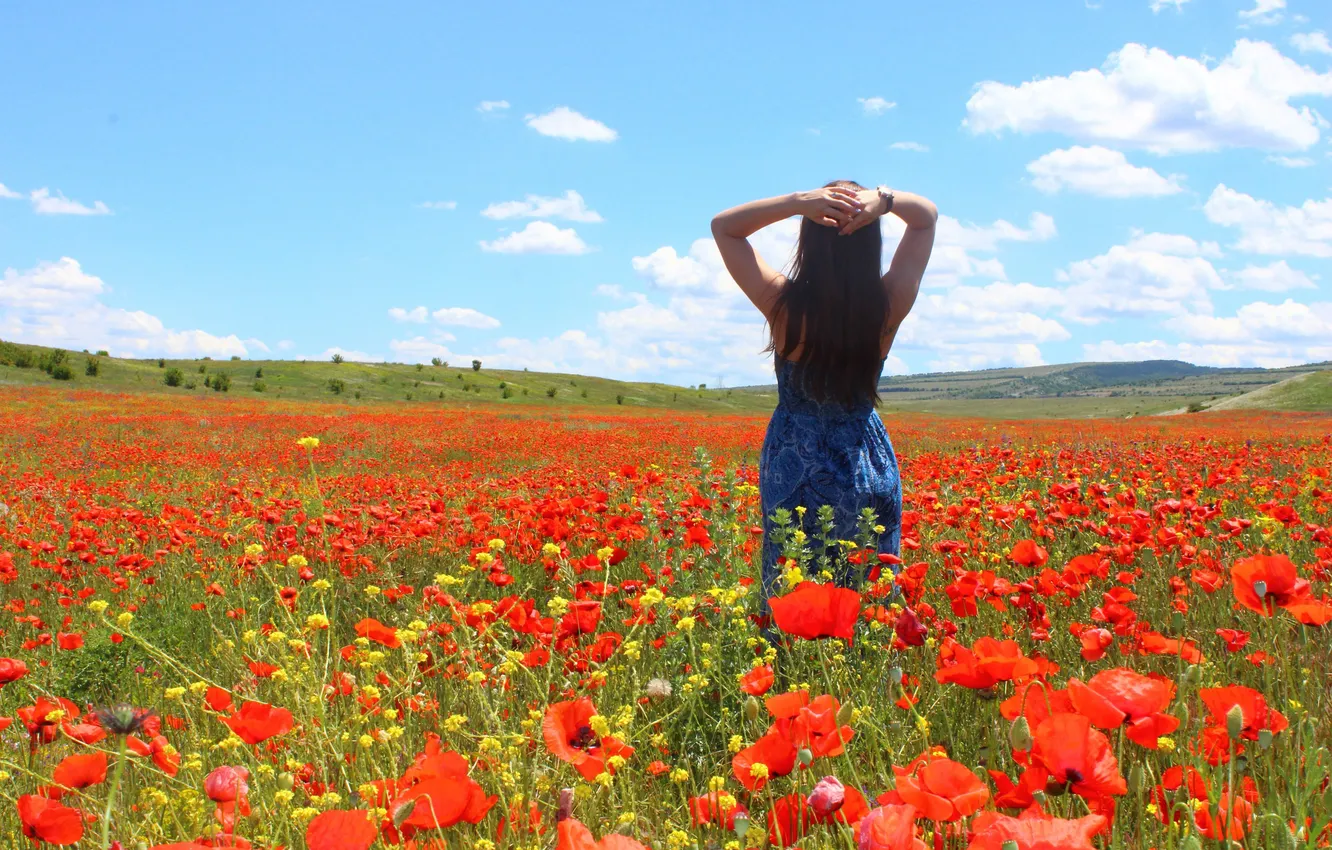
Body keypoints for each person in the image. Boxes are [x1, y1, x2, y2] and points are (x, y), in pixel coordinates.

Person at [711, 181, 937, 613]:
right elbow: (925, 219)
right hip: (865, 463)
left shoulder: (783, 306)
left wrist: (798, 202)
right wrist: (885, 201)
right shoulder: (887, 305)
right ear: (872, 238)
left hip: (794, 464)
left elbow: (725, 228)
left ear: (808, 238)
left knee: (794, 601)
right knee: (868, 600)